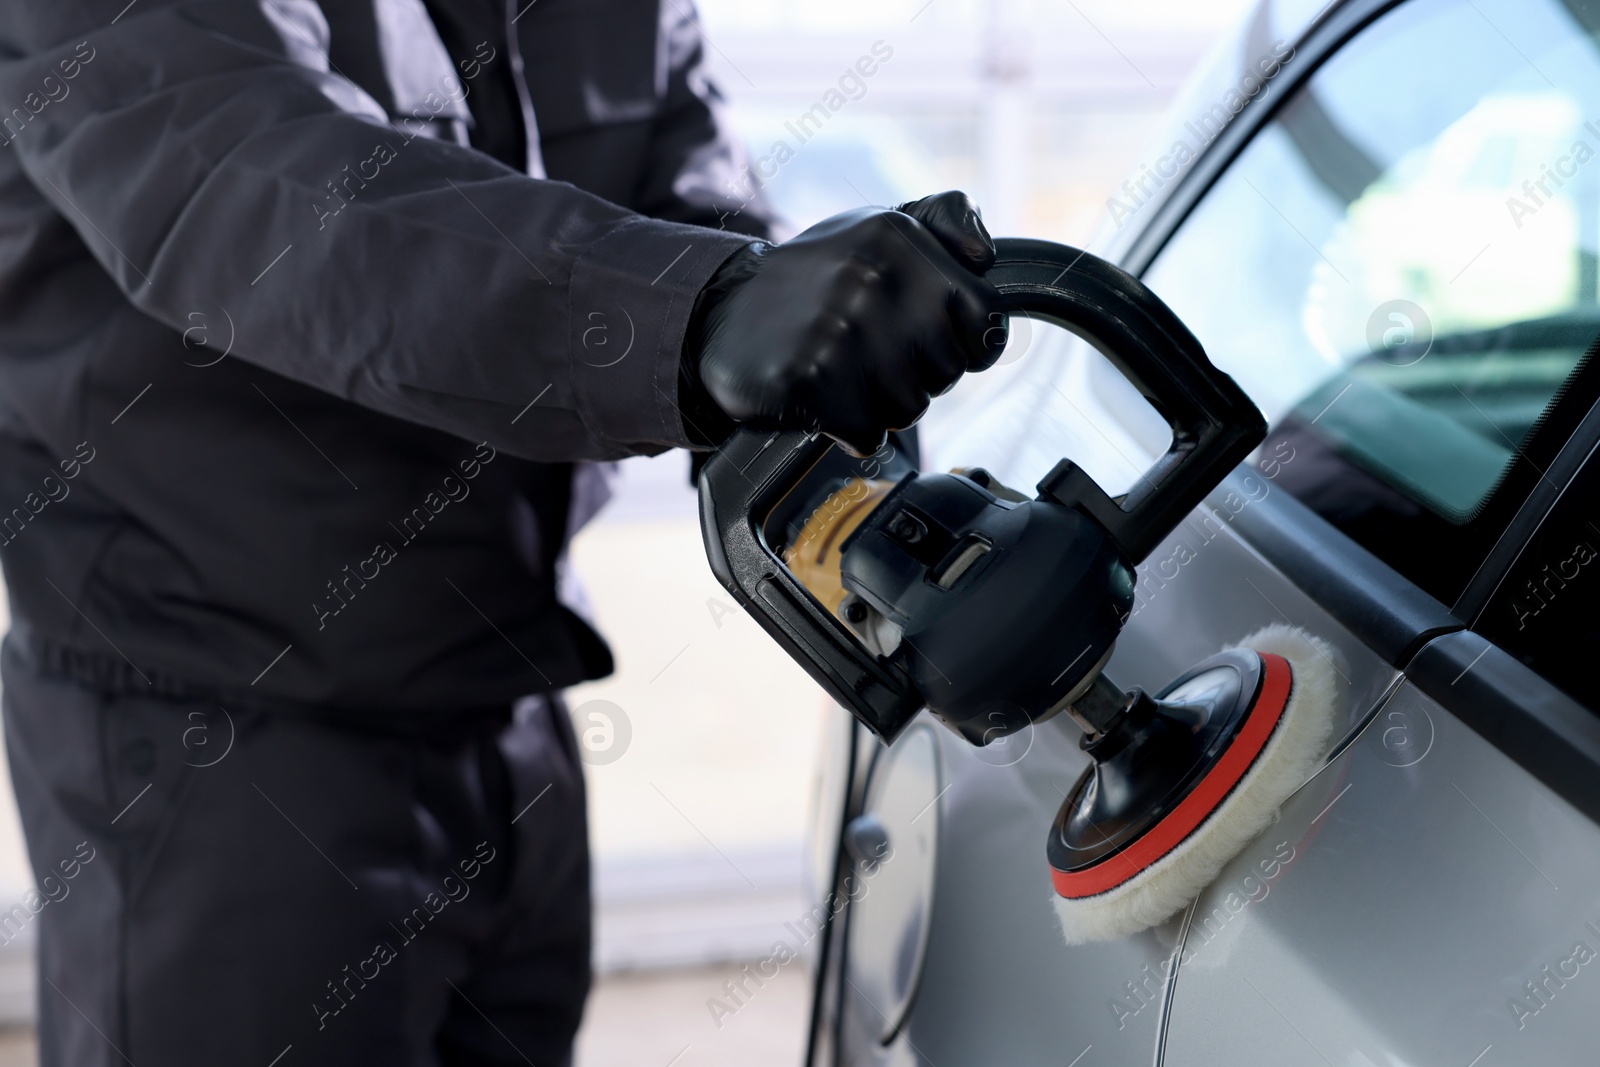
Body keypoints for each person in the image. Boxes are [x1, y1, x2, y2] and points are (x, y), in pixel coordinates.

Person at [0, 3, 1006, 1065]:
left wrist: (796, 382)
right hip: (217, 736)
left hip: (504, 693)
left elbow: (681, 163)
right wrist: (697, 317)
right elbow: (249, 177)